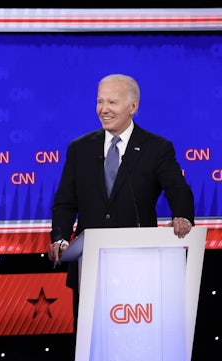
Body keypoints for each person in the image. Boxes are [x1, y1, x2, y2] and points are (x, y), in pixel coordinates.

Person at [48, 73, 194, 319]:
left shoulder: (156, 148)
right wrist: (60, 237)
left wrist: (183, 216)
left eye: (112, 102)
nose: (103, 109)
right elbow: (65, 202)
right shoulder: (79, 149)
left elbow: (178, 189)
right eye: (100, 102)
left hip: (138, 265)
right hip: (89, 267)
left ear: (133, 106)